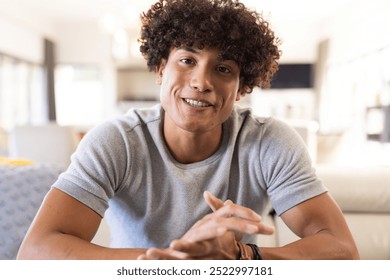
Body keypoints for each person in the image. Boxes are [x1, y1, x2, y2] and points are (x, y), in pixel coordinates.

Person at [17, 0, 359, 260]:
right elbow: (35, 250)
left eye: (223, 68)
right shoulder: (116, 141)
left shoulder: (269, 142)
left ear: (240, 88)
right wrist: (174, 264)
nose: (201, 81)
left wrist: (241, 258)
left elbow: (343, 249)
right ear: (161, 68)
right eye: (187, 60)